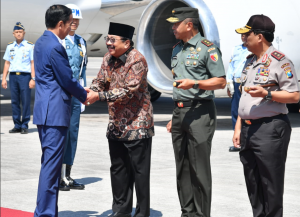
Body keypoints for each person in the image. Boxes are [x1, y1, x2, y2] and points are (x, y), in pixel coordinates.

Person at [233, 15, 300, 217]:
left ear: (260, 36)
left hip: (270, 129)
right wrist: (238, 127)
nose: (243, 39)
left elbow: (295, 96)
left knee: (270, 184)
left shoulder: (280, 62)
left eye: (247, 35)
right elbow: (244, 97)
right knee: (253, 184)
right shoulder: (250, 61)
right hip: (248, 129)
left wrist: (267, 93)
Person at [85, 22, 154, 217]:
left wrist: (99, 96)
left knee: (140, 172)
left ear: (127, 42)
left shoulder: (137, 60)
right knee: (118, 169)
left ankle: (142, 213)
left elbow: (128, 91)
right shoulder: (108, 58)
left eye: (112, 40)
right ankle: (121, 210)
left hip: (137, 124)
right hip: (116, 124)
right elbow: (100, 80)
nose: (108, 43)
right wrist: (92, 90)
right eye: (107, 39)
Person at [165, 7, 226, 217]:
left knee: (199, 168)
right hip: (180, 112)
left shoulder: (207, 49)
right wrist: (175, 115)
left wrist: (196, 83)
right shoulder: (176, 49)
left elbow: (220, 82)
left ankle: (201, 215)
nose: (173, 28)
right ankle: (187, 211)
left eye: (176, 24)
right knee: (181, 167)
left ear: (189, 25)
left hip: (200, 111)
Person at [33, 5, 89, 217]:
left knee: (50, 164)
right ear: (60, 24)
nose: (70, 28)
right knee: (51, 167)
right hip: (55, 113)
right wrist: (85, 95)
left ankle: (47, 211)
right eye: (68, 24)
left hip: (44, 111)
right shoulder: (56, 47)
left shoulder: (40, 42)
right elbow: (67, 79)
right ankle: (45, 213)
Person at [59, 3, 87, 191]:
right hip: (62, 92)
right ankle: (59, 175)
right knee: (62, 134)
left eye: (77, 19)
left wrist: (83, 91)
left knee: (73, 134)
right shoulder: (59, 41)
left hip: (76, 93)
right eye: (72, 19)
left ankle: (68, 174)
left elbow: (83, 68)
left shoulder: (81, 42)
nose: (74, 22)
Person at [1, 22, 35, 134]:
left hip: (25, 76)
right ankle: (17, 125)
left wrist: (33, 78)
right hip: (13, 77)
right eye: (17, 32)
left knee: (25, 101)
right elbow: (7, 63)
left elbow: (32, 63)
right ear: (13, 34)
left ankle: (24, 125)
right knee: (14, 101)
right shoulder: (10, 46)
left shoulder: (30, 46)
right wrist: (4, 78)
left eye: (20, 32)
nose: (19, 34)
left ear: (24, 33)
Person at [227, 34, 251, 152]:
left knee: (247, 112)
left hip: (246, 84)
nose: (243, 37)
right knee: (235, 111)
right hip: (236, 84)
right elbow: (231, 66)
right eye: (242, 35)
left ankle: (247, 140)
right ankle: (237, 140)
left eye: (246, 35)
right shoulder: (236, 49)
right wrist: (229, 82)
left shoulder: (252, 49)